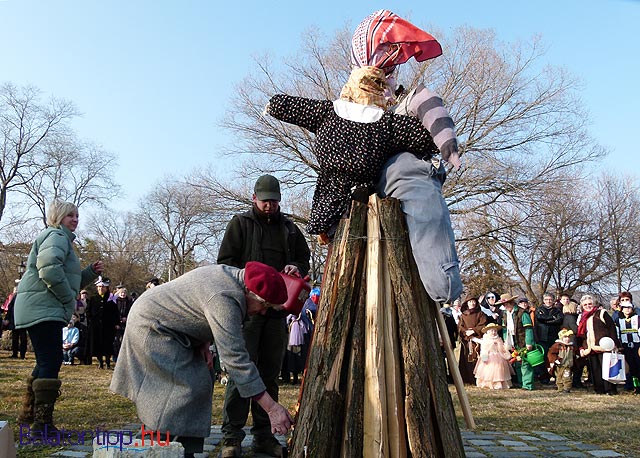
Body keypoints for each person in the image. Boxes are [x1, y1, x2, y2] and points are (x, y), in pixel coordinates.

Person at [110, 262, 295, 458]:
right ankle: (153, 448)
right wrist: (272, 408)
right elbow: (235, 360)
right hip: (152, 327)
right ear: (250, 291)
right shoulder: (224, 298)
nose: (264, 311)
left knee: (198, 383)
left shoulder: (233, 278)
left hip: (171, 328)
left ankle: (182, 450)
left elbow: (195, 304)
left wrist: (203, 342)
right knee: (175, 394)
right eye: (264, 305)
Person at [349, 9, 463, 304]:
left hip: (405, 174)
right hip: (373, 188)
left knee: (426, 222)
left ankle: (442, 282)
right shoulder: (354, 114)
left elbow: (433, 111)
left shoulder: (408, 101)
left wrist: (448, 147)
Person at [217, 174, 310, 458]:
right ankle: (232, 437)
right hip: (247, 311)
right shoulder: (240, 224)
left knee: (269, 375)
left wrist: (295, 266)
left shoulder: (290, 229)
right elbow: (224, 264)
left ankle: (264, 437)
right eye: (265, 200)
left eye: (274, 200)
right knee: (240, 372)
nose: (269, 205)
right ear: (254, 198)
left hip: (276, 313)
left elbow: (305, 260)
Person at [13, 199, 102, 434]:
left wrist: (90, 273)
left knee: (45, 360)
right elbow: (49, 270)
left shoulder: (59, 239)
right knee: (51, 361)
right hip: (42, 308)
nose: (75, 219)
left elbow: (64, 277)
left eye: (77, 215)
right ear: (58, 217)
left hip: (41, 306)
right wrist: (67, 299)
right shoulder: (56, 237)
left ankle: (29, 415)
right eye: (70, 215)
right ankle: (41, 426)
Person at [577, 294, 621, 395]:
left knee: (607, 369)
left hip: (605, 346)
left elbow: (611, 328)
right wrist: (581, 348)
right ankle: (599, 389)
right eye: (585, 305)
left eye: (590, 304)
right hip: (590, 348)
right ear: (582, 306)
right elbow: (580, 335)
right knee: (595, 370)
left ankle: (610, 390)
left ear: (594, 304)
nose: (588, 306)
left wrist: (614, 343)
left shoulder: (602, 313)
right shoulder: (581, 317)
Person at [500, 293, 535, 390]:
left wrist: (529, 342)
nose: (505, 306)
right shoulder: (505, 315)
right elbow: (504, 329)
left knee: (525, 362)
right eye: (504, 305)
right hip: (512, 340)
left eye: (507, 304)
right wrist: (506, 342)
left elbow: (528, 328)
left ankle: (527, 384)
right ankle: (520, 382)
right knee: (517, 361)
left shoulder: (523, 313)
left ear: (512, 303)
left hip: (522, 340)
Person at [86, 277, 119, 369]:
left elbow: (115, 312)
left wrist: (116, 323)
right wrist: (91, 320)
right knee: (97, 344)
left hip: (108, 326)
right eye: (99, 287)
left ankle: (108, 363)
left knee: (108, 344)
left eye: (103, 287)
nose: (101, 288)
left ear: (106, 288)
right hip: (96, 326)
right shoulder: (93, 298)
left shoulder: (111, 298)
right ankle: (100, 362)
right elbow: (88, 311)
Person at [457, 297, 488, 385]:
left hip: (477, 340)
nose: (472, 303)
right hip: (467, 341)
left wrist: (474, 330)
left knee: (477, 358)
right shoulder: (463, 315)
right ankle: (466, 378)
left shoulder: (480, 314)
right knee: (466, 358)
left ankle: (477, 378)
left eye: (474, 302)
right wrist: (466, 332)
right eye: (470, 302)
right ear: (467, 303)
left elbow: (482, 325)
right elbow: (460, 326)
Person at [535, 293, 564, 384]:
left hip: (553, 336)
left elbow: (559, 320)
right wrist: (552, 319)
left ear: (553, 300)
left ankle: (556, 376)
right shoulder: (539, 309)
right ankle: (544, 377)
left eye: (550, 299)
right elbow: (540, 318)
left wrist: (547, 320)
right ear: (543, 300)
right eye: (546, 299)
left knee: (555, 357)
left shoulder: (557, 310)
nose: (548, 301)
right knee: (543, 358)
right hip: (542, 337)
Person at [474, 323, 513, 389]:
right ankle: (487, 383)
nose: (493, 332)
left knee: (499, 370)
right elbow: (484, 349)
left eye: (495, 331)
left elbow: (502, 348)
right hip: (489, 357)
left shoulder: (498, 339)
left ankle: (499, 383)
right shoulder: (485, 339)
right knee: (488, 371)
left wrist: (503, 346)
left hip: (498, 356)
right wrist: (484, 357)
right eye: (491, 331)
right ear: (488, 331)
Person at [616, 292, 640, 394]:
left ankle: (638, 386)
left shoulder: (637, 318)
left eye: (629, 307)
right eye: (624, 307)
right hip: (625, 346)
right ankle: (629, 385)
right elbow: (617, 334)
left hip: (637, 345)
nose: (627, 309)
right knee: (628, 366)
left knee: (638, 365)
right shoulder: (618, 320)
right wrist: (619, 346)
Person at [3, 287, 28, 359]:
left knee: (22, 338)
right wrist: (7, 319)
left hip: (22, 320)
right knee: (15, 338)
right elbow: (10, 308)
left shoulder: (24, 297)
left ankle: (22, 355)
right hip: (15, 320)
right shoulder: (15, 297)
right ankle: (15, 354)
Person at [547, 329, 575, 393]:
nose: (567, 339)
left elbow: (575, 354)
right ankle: (560, 388)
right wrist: (555, 360)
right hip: (559, 365)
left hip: (567, 365)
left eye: (568, 337)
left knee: (567, 376)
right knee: (559, 377)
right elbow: (551, 353)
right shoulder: (557, 346)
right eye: (565, 337)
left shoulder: (571, 347)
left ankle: (566, 388)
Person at [113, 286, 133, 362]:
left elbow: (131, 311)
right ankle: (115, 356)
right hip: (117, 324)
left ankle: (124, 357)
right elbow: (114, 313)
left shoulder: (129, 302)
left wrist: (126, 318)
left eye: (124, 293)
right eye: (121, 293)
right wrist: (117, 322)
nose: (123, 294)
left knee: (124, 340)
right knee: (116, 340)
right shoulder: (115, 301)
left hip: (126, 323)